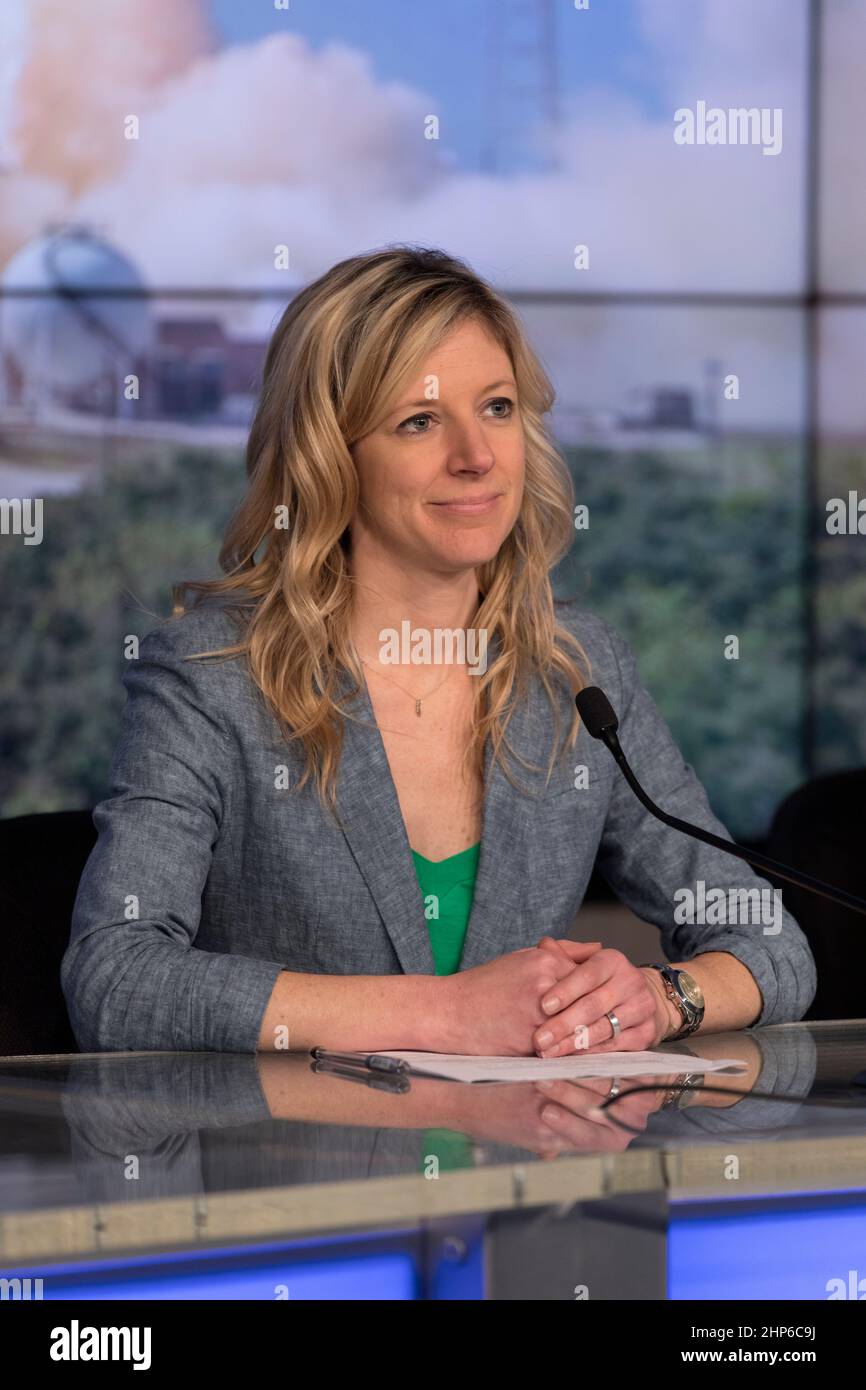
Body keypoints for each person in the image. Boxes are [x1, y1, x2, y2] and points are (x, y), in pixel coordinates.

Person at [61, 246, 816, 1056]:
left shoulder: (575, 671)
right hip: (290, 1176)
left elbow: (772, 945)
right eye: (419, 421)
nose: (477, 456)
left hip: (529, 1180)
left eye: (495, 408)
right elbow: (117, 978)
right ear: (328, 455)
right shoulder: (211, 680)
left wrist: (661, 1002)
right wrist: (445, 1014)